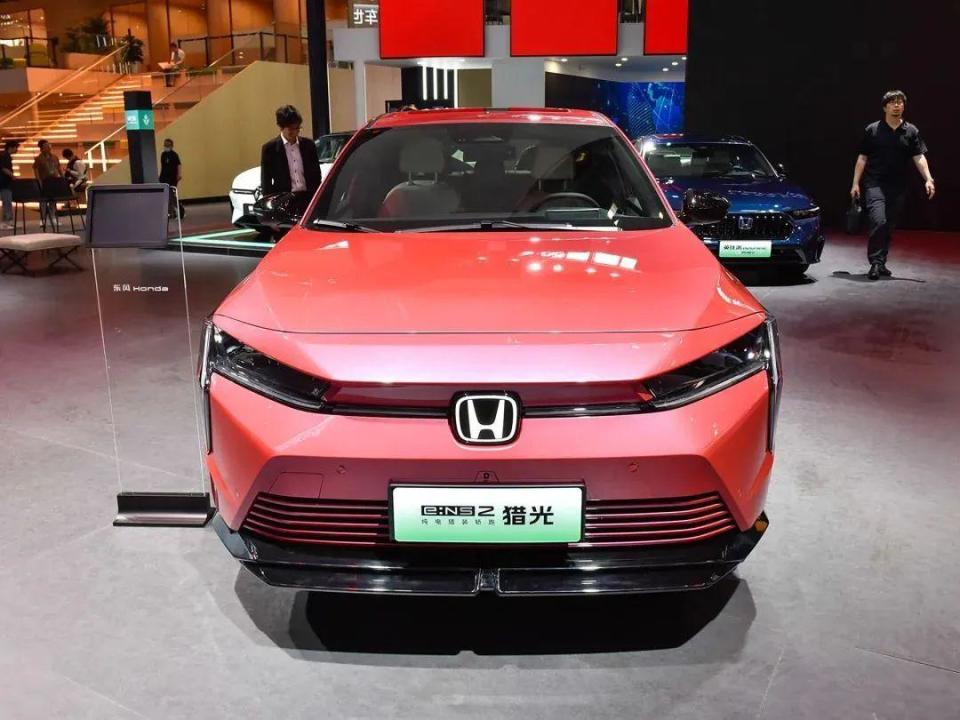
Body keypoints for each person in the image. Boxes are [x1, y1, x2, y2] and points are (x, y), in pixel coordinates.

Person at [851, 90, 935, 280]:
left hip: (898, 186)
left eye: (900, 102)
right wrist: (855, 183)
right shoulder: (873, 130)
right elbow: (862, 157)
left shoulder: (911, 131)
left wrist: (928, 179)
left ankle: (881, 261)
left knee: (888, 225)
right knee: (878, 220)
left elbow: (919, 156)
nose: (897, 105)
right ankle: (875, 262)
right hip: (874, 183)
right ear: (885, 107)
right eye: (892, 102)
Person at [260, 105, 322, 209]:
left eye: (297, 128)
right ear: (281, 127)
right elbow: (266, 182)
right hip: (284, 201)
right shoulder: (270, 149)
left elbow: (316, 174)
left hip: (308, 198)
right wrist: (270, 206)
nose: (295, 132)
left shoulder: (309, 145)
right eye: (291, 129)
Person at [33, 139, 62, 229]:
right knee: (43, 201)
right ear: (41, 148)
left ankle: (53, 217)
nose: (48, 147)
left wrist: (62, 177)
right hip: (44, 181)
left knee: (53, 200)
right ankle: (43, 219)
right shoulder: (38, 159)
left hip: (54, 181)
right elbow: (36, 170)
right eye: (46, 146)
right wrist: (38, 181)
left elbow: (59, 168)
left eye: (49, 145)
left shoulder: (55, 157)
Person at [159, 138, 185, 219]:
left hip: (172, 178)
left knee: (172, 195)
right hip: (164, 178)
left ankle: (180, 212)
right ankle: (170, 213)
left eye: (167, 145)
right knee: (167, 196)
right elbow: (163, 166)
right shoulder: (163, 154)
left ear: (171, 146)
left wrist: (179, 174)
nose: (166, 146)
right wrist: (160, 177)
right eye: (165, 145)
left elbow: (179, 165)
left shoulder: (174, 155)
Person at [0, 139, 18, 229]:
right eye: (16, 147)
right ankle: (6, 222)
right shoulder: (5, 156)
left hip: (5, 182)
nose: (17, 149)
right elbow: (4, 168)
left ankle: (8, 221)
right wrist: (12, 176)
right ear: (11, 147)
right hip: (4, 182)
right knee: (7, 202)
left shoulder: (5, 155)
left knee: (7, 201)